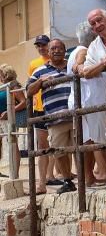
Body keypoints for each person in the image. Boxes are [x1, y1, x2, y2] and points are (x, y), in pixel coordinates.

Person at [69, 18, 106, 187]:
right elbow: (81, 66)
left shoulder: (78, 50)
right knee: (99, 139)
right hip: (90, 100)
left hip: (84, 100)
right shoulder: (84, 50)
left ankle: (89, 178)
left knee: (87, 140)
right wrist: (102, 63)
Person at [27, 39, 75, 194]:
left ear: (64, 50)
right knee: (58, 151)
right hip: (54, 118)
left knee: (80, 149)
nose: (56, 51)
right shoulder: (39, 71)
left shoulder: (72, 65)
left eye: (59, 48)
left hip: (75, 115)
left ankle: (85, 179)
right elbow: (29, 91)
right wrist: (41, 81)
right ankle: (68, 181)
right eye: (53, 48)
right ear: (48, 51)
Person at [27, 34, 53, 189]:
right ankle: (42, 181)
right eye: (38, 46)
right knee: (42, 145)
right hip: (40, 108)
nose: (41, 48)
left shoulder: (57, 59)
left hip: (55, 106)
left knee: (60, 142)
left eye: (43, 45)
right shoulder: (33, 64)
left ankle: (53, 175)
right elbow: (30, 85)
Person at [0, 64, 26, 178]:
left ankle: (14, 174)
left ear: (5, 73)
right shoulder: (4, 86)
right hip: (2, 120)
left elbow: (23, 102)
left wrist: (9, 111)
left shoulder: (13, 85)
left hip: (9, 119)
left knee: (13, 145)